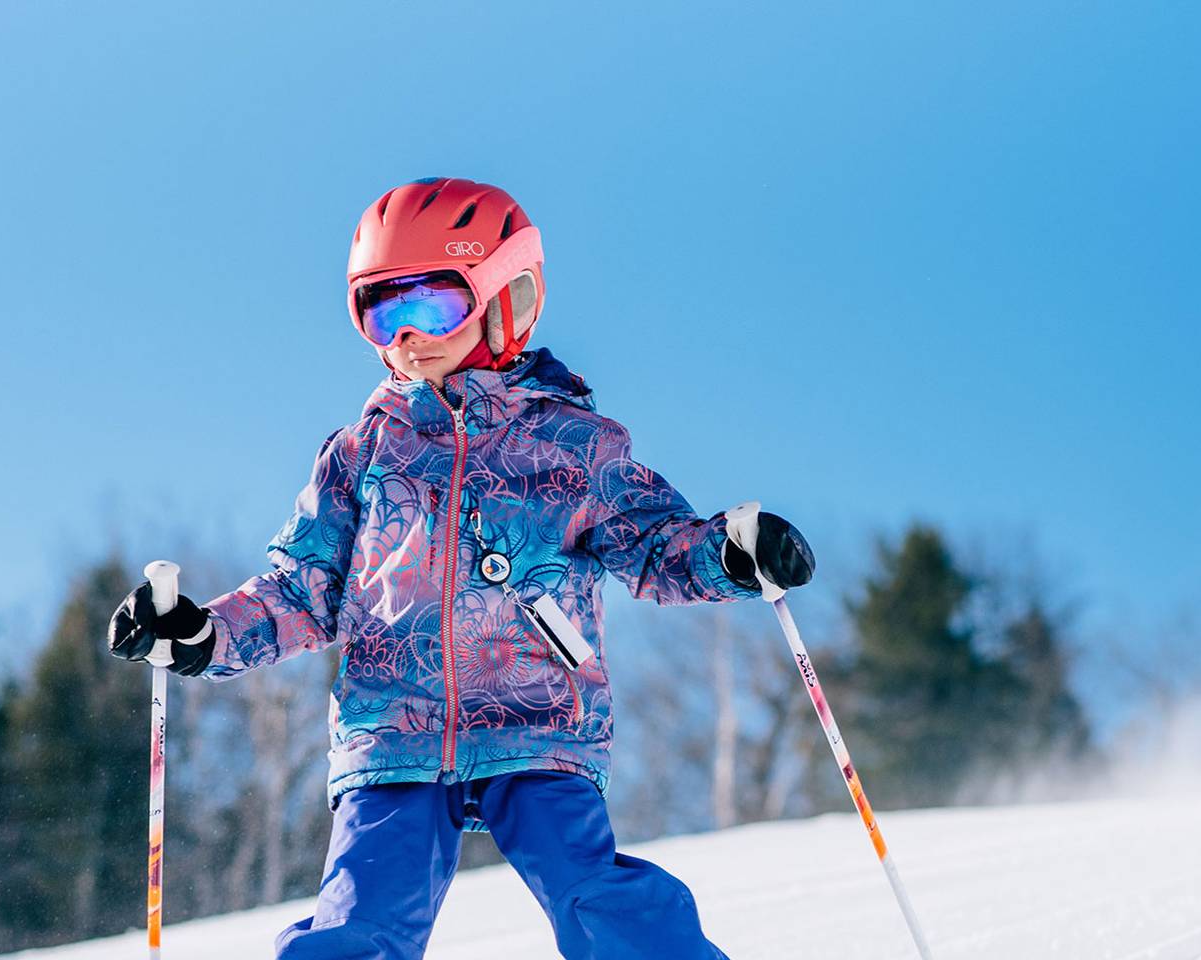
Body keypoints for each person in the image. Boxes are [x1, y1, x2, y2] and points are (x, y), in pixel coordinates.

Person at [107, 177, 816, 959]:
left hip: (538, 719)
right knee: (359, 916)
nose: (408, 335)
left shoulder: (573, 446)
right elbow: (303, 589)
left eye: (433, 305)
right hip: (391, 729)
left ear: (506, 295)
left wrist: (729, 554)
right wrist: (205, 633)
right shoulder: (362, 454)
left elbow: (655, 546)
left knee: (596, 897)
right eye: (382, 311)